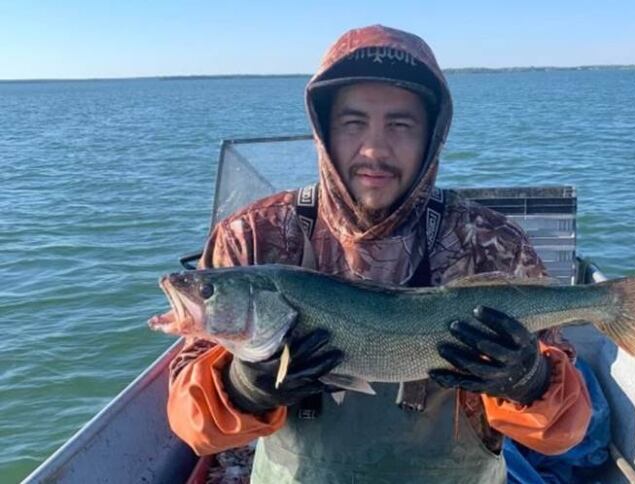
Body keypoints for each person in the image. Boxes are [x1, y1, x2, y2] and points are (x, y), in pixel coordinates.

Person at [167, 25, 592, 483]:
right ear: (323, 133)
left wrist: (529, 380)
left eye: (400, 125)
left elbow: (562, 431)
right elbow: (194, 428)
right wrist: (244, 387)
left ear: (432, 136)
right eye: (353, 123)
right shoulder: (253, 237)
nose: (374, 149)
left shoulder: (490, 243)